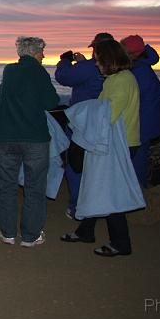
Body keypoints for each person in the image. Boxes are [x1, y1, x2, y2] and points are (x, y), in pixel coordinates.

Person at [61, 39, 141, 257]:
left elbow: (108, 115)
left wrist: (80, 115)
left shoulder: (121, 81)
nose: (96, 65)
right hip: (117, 141)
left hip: (120, 144)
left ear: (110, 60)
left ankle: (120, 243)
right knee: (97, 186)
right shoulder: (118, 79)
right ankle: (85, 231)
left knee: (109, 192)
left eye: (98, 61)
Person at [0, 36, 59, 247]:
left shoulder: (9, 71)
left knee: (7, 186)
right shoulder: (39, 71)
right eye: (42, 52)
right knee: (35, 187)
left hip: (6, 137)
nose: (44, 55)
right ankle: (30, 236)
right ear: (34, 52)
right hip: (35, 139)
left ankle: (8, 233)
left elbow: (4, 93)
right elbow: (52, 101)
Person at [55, 32, 110, 218]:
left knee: (76, 165)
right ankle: (102, 204)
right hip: (106, 122)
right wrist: (84, 63)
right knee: (99, 165)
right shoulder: (118, 68)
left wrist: (65, 61)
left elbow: (64, 77)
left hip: (82, 123)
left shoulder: (88, 68)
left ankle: (78, 206)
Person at [120, 35, 160, 188]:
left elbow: (132, 99)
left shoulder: (139, 72)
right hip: (146, 121)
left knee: (137, 158)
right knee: (139, 157)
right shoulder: (142, 68)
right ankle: (138, 187)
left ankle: (137, 189)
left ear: (134, 54)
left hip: (140, 123)